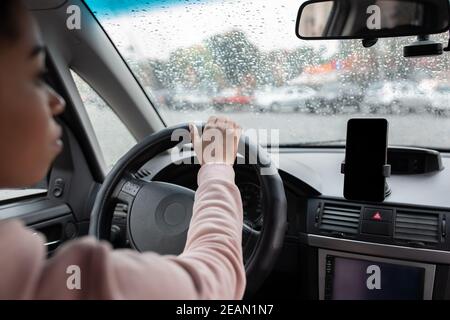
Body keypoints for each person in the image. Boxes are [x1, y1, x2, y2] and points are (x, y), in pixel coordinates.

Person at [0, 0, 246, 299]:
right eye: (37, 76)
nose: (57, 101)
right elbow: (215, 282)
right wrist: (218, 166)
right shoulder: (73, 284)